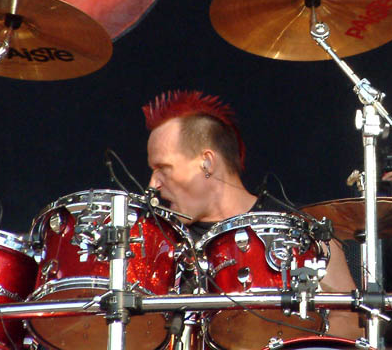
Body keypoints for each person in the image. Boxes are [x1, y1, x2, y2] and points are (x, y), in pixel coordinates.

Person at [143, 90, 364, 342]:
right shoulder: (163, 244)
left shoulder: (303, 232)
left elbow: (350, 322)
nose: (153, 184)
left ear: (207, 163)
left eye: (163, 168)